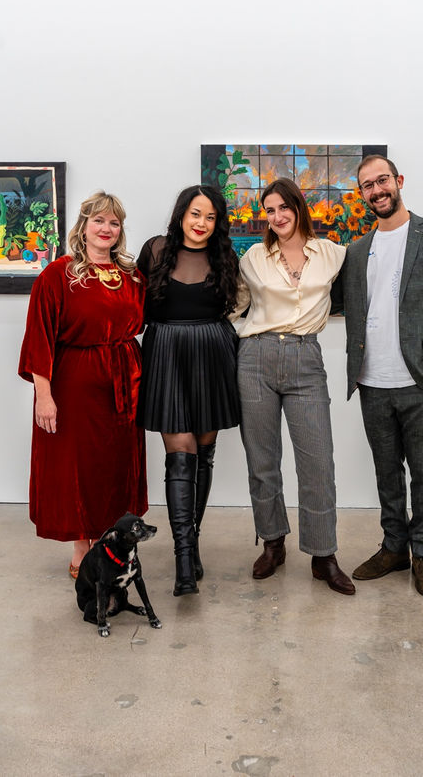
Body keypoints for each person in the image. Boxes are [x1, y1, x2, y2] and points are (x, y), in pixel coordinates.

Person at [334, 155, 423, 597]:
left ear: (399, 181)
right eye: (367, 186)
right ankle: (394, 548)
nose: (376, 191)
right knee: (386, 472)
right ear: (362, 196)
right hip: (372, 382)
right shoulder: (356, 251)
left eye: (382, 181)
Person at [233, 178, 355, 595]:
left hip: (306, 357)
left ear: (299, 208)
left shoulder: (333, 253)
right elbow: (234, 304)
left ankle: (324, 555)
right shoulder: (253, 256)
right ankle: (272, 543)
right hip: (255, 358)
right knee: (262, 459)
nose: (277, 216)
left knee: (318, 461)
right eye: (269, 210)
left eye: (284, 207)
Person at [19, 191, 148, 578]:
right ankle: (81, 549)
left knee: (114, 465)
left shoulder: (132, 275)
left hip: (124, 382)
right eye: (99, 221)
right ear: (84, 226)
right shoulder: (57, 275)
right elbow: (39, 337)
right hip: (74, 384)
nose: (106, 228)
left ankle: (110, 544)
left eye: (114, 222)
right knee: (79, 465)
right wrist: (45, 396)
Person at [137, 185, 240, 597]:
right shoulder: (156, 250)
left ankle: (192, 542)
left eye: (211, 217)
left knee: (203, 456)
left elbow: (238, 308)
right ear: (182, 214)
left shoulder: (225, 257)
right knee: (180, 456)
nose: (202, 224)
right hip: (165, 354)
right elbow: (132, 304)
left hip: (212, 355)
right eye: (196, 214)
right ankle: (183, 559)